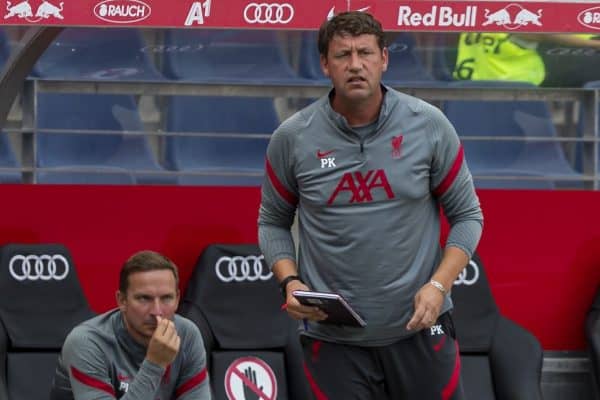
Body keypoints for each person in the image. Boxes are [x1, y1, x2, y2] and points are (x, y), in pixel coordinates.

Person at [258, 11, 483, 400]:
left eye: (365, 52)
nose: (355, 65)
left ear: (384, 59)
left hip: (420, 330)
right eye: (343, 55)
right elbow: (272, 222)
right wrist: (290, 282)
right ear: (326, 64)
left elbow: (467, 216)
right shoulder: (292, 138)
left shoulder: (429, 124)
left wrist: (437, 284)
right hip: (333, 339)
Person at [50, 250, 211, 399]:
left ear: (177, 299)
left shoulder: (188, 335)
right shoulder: (86, 342)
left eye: (166, 298)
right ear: (122, 301)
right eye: (144, 298)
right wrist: (155, 364)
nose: (157, 311)